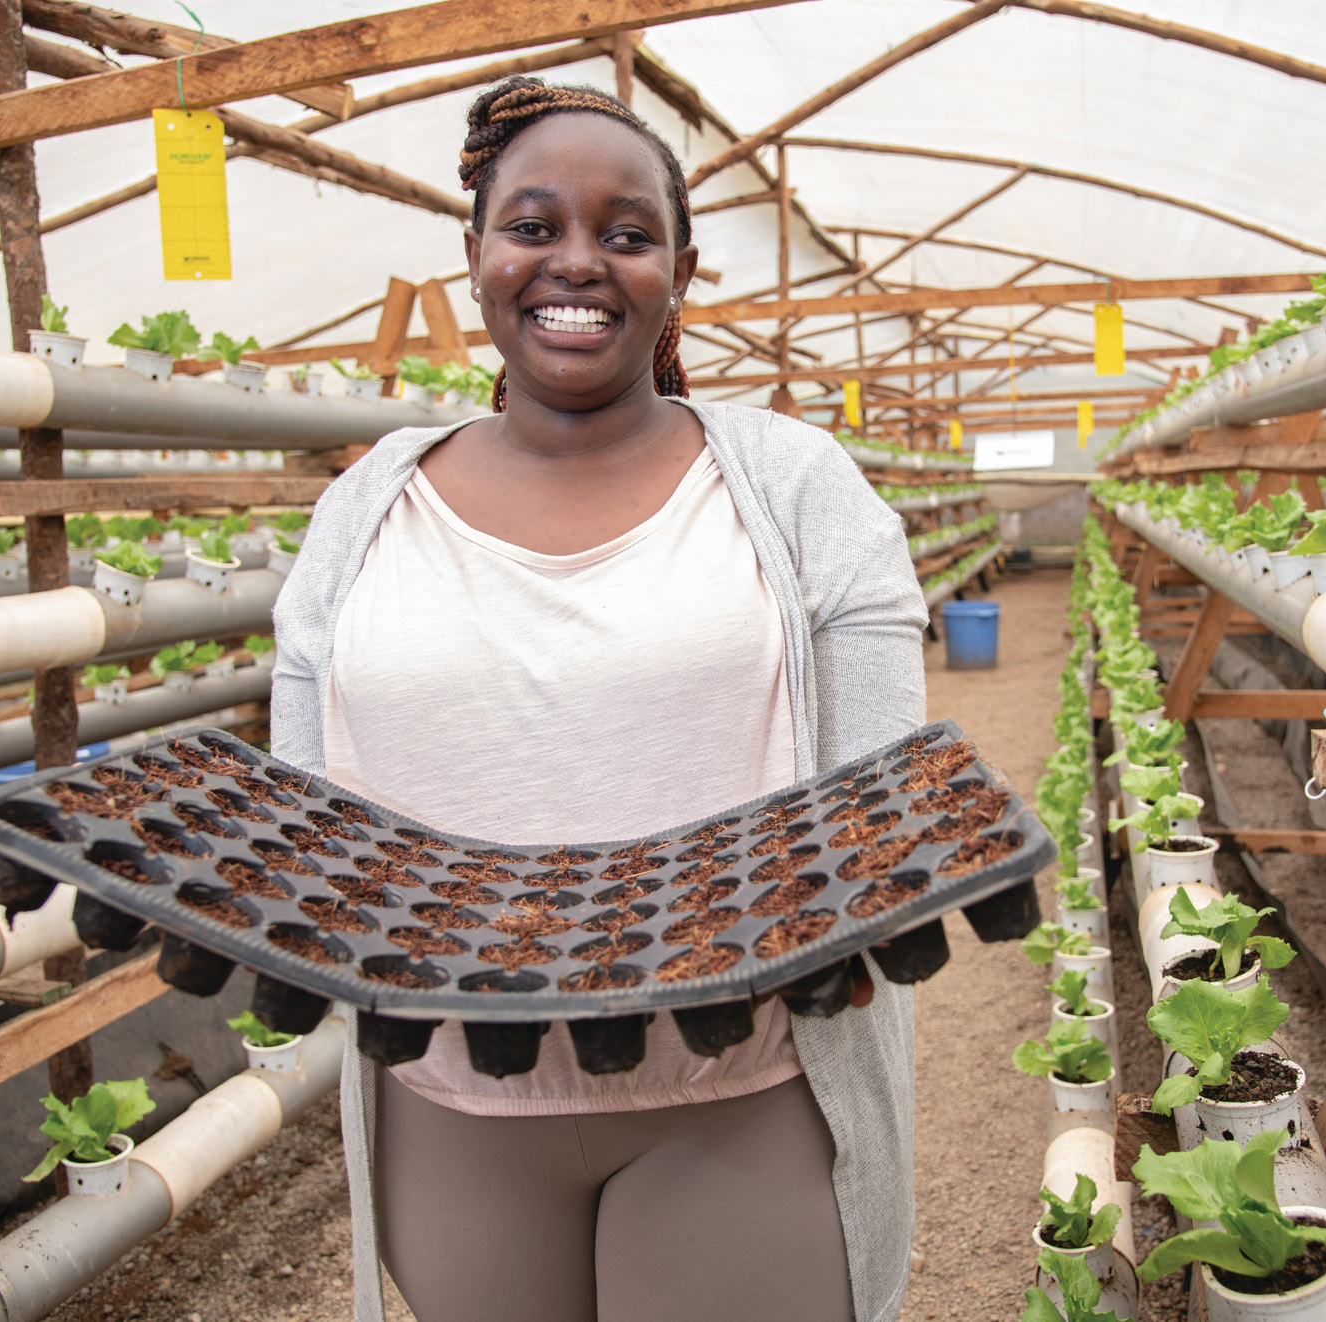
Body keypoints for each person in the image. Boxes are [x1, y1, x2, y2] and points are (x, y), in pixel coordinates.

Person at [269, 76, 926, 1322]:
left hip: (734, 1090)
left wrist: (854, 917)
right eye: (532, 225)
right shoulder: (367, 508)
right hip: (455, 1100)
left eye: (626, 234)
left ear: (680, 269)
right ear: (474, 254)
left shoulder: (790, 485)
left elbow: (883, 803)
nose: (576, 260)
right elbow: (307, 817)